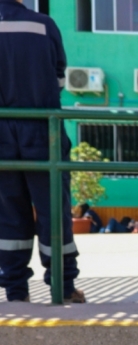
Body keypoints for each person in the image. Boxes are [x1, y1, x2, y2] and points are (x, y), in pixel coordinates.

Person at [0, 0, 85, 303]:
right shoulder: (42, 25)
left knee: (9, 213)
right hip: (41, 128)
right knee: (52, 210)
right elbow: (59, 78)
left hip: (1, 131)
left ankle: (15, 292)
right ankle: (62, 287)